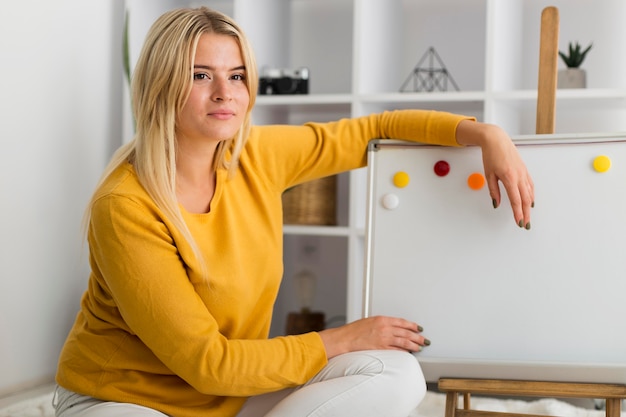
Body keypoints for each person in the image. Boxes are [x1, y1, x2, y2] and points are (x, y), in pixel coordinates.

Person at [53, 6, 534, 417]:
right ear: (161, 84)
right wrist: (342, 339)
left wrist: (485, 135)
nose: (226, 92)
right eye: (201, 75)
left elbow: (372, 130)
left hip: (226, 398)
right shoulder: (125, 206)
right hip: (122, 400)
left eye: (237, 75)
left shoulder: (255, 154)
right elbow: (207, 363)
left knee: (399, 374)